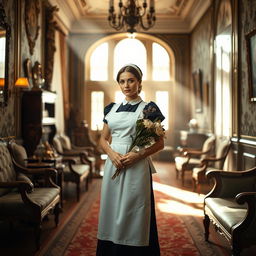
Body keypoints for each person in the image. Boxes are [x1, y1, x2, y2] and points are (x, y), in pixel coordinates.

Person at [96, 64, 165, 256]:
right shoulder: (111, 108)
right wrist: (111, 154)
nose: (126, 85)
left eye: (131, 80)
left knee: (134, 210)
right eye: (122, 81)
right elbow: (103, 139)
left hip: (137, 166)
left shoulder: (149, 109)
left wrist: (138, 155)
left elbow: (160, 144)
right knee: (111, 208)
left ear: (139, 82)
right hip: (113, 164)